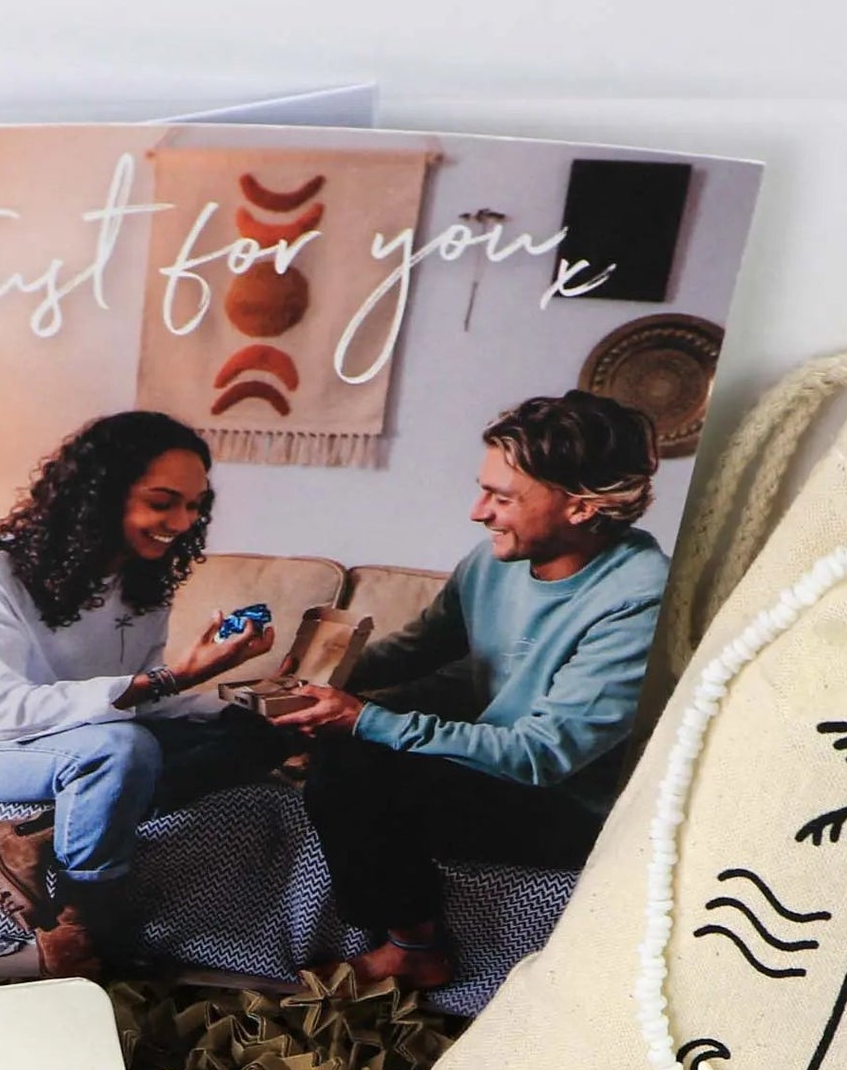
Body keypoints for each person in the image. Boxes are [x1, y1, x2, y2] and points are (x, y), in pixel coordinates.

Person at [272, 390, 666, 990]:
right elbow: (421, 649)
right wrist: (319, 676)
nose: (478, 512)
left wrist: (362, 720)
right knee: (270, 728)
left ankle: (415, 951)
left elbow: (543, 755)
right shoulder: (492, 563)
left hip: (565, 804)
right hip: (491, 765)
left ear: (582, 507)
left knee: (351, 760)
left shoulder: (639, 596)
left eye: (502, 498)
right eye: (484, 490)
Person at [0, 411, 283, 976]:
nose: (181, 522)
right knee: (121, 749)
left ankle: (30, 840)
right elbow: (8, 713)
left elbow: (140, 695)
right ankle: (77, 920)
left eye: (194, 506)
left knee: (252, 734)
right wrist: (179, 676)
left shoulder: (146, 578)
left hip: (77, 736)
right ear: (100, 495)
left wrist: (237, 705)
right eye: (162, 502)